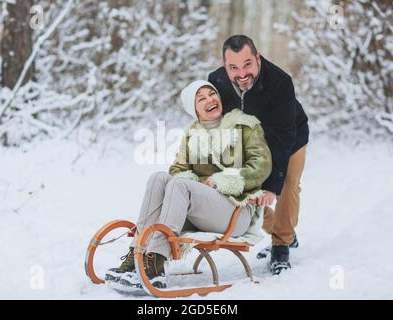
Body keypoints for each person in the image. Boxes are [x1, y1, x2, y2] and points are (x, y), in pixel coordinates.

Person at [105, 80, 272, 288]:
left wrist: (222, 181)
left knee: (179, 185)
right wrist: (203, 184)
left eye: (212, 94)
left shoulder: (243, 125)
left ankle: (156, 262)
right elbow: (176, 170)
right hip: (203, 213)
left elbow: (261, 165)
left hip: (236, 211)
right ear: (194, 110)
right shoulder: (193, 135)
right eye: (201, 98)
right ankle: (137, 254)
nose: (210, 99)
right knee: (159, 178)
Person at [208, 35, 309, 275]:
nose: (242, 74)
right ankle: (284, 232)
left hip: (290, 137)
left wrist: (272, 186)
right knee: (247, 191)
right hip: (249, 142)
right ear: (224, 66)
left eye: (247, 65)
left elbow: (283, 136)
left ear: (257, 58)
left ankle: (281, 245)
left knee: (287, 184)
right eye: (233, 67)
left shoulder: (280, 82)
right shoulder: (216, 81)